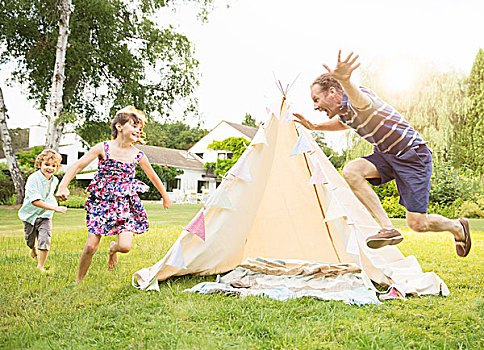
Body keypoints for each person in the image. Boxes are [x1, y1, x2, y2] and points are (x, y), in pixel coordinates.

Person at [294, 50, 471, 257]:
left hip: (413, 156)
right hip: (387, 154)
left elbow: (361, 103)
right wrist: (315, 126)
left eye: (316, 99)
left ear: (333, 92)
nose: (315, 106)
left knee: (418, 224)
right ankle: (387, 228)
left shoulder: (359, 98)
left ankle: (458, 228)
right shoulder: (345, 113)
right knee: (351, 170)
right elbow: (343, 124)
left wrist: (346, 80)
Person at [55, 106, 173, 282]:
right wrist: (63, 186)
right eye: (134, 126)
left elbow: (153, 177)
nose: (138, 130)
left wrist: (165, 196)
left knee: (125, 246)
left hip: (123, 203)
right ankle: (78, 281)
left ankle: (113, 249)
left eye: (140, 128)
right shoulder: (103, 148)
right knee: (91, 246)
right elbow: (77, 166)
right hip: (101, 201)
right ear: (119, 126)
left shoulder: (138, 155)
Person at [18, 149, 67, 271]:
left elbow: (51, 194)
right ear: (39, 164)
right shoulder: (33, 179)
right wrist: (55, 208)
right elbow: (35, 201)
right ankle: (33, 248)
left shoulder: (54, 180)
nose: (50, 168)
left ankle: (40, 266)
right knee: (29, 240)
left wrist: (64, 193)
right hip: (30, 215)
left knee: (45, 239)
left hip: (46, 215)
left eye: (54, 166)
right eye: (47, 165)